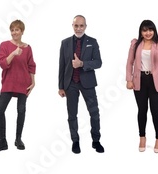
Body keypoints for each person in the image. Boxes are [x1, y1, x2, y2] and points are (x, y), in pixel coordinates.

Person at [126, 20, 158, 153]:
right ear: (141, 32)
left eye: (150, 30)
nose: (148, 33)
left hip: (156, 81)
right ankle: (142, 137)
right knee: (142, 110)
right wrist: (129, 80)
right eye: (145, 30)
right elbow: (129, 62)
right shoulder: (135, 44)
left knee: (155, 111)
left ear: (154, 31)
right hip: (139, 80)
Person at [58, 15, 104, 154]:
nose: (79, 28)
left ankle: (96, 141)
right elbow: (62, 65)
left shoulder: (93, 42)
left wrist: (82, 64)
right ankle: (75, 141)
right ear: (72, 26)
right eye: (76, 25)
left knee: (94, 113)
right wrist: (60, 86)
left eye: (81, 26)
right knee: (72, 114)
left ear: (85, 26)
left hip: (87, 83)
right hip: (70, 83)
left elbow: (98, 62)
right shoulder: (65, 42)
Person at [0, 19, 36, 153]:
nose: (14, 32)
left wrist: (33, 82)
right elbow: (2, 64)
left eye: (17, 30)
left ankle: (18, 138)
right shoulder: (4, 45)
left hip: (23, 83)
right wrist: (13, 53)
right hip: (9, 82)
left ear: (22, 31)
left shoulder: (28, 48)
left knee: (21, 110)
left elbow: (31, 65)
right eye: (12, 30)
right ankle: (2, 141)